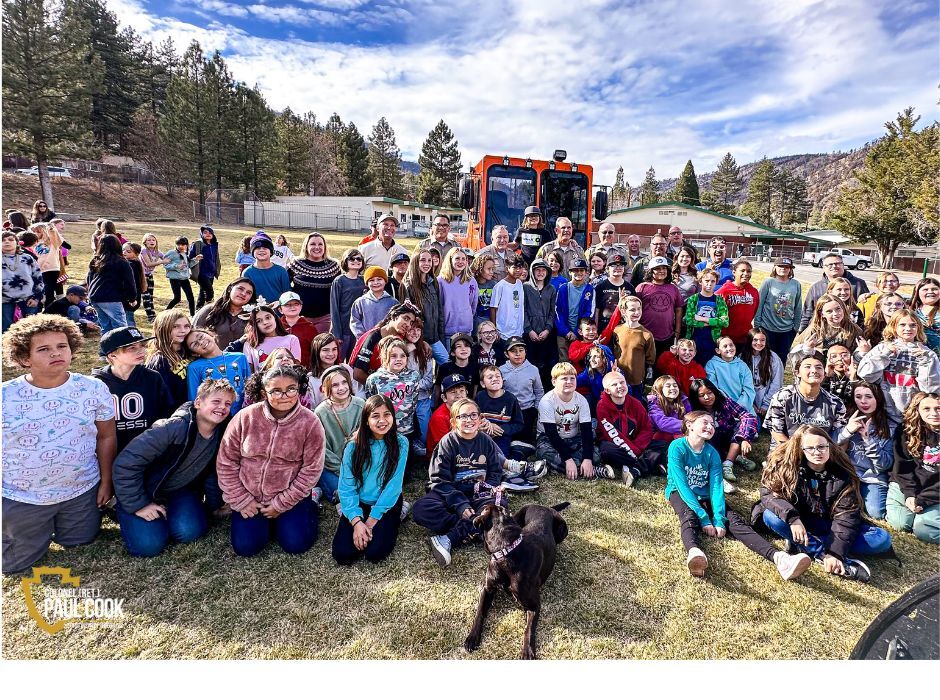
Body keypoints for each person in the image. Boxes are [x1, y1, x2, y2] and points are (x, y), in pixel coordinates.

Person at [1, 315, 116, 574]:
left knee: (79, 542)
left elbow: (106, 436)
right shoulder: (5, 396)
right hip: (23, 497)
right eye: (44, 349)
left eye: (62, 346)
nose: (56, 353)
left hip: (81, 490)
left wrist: (106, 481)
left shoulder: (93, 389)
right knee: (15, 564)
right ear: (24, 358)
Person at [667, 411, 812, 580]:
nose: (710, 426)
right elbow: (681, 485)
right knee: (688, 516)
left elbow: (716, 487)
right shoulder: (677, 447)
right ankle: (695, 552)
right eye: (705, 422)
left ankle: (780, 559)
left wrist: (719, 518)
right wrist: (704, 518)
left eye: (712, 424)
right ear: (689, 425)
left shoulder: (712, 453)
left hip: (705, 494)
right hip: (680, 493)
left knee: (736, 522)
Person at [112, 379, 235, 557]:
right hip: (145, 490)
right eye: (216, 401)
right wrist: (139, 504)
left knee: (188, 532)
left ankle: (170, 514)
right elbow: (126, 463)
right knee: (149, 546)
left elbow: (212, 474)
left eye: (227, 403)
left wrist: (214, 506)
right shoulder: (172, 428)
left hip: (179, 491)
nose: (222, 407)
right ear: (198, 403)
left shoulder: (223, 434)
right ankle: (130, 512)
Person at [756, 425, 893, 583]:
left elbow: (846, 516)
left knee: (881, 539)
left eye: (821, 446)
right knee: (770, 516)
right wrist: (793, 519)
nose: (817, 452)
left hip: (827, 523)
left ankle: (802, 543)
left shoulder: (842, 472)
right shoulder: (786, 466)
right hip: (797, 519)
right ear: (801, 449)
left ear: (829, 445)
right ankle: (819, 553)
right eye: (810, 448)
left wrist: (835, 552)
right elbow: (768, 495)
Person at [217, 365, 325, 557]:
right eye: (276, 390)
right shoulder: (245, 417)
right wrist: (241, 500)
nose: (285, 395)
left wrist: (281, 504)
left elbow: (311, 470)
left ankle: (309, 507)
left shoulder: (310, 422)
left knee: (296, 545)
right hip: (249, 497)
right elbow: (226, 463)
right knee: (246, 548)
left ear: (299, 389)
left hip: (290, 496)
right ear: (263, 392)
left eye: (291, 389)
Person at [414, 398, 506, 567]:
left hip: (479, 493)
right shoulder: (447, 443)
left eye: (473, 415)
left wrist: (488, 488)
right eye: (463, 416)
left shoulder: (486, 441)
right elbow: (439, 480)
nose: (469, 420)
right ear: (453, 422)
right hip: (452, 493)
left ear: (480, 418)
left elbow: (494, 472)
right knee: (421, 509)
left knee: (497, 507)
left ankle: (448, 538)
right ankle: (478, 528)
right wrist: (461, 505)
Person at [332, 395, 408, 564]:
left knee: (375, 554)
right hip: (359, 502)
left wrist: (372, 521)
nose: (382, 420)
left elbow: (393, 486)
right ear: (366, 420)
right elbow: (346, 487)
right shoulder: (353, 447)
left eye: (387, 415)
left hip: (386, 503)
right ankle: (347, 513)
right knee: (343, 555)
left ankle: (400, 512)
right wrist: (357, 522)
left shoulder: (401, 443)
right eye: (375, 416)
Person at [94, 327, 173, 453]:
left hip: (148, 448)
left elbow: (166, 412)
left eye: (142, 345)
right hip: (111, 450)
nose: (141, 351)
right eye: (132, 348)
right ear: (112, 355)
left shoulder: (153, 377)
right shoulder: (97, 383)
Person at [856, 309, 940, 424]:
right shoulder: (882, 348)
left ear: (919, 328)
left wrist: (926, 362)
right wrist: (885, 355)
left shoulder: (928, 353)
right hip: (884, 413)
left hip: (914, 415)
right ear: (893, 327)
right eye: (902, 325)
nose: (908, 328)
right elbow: (865, 375)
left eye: (913, 325)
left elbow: (930, 389)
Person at [835, 381, 895, 520]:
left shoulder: (889, 426)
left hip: (873, 478)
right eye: (858, 396)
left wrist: (868, 440)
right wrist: (847, 431)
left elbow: (884, 465)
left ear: (878, 398)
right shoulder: (845, 418)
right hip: (848, 475)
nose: (863, 401)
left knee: (876, 513)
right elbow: (831, 445)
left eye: (869, 396)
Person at [765, 351, 847, 451]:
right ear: (797, 373)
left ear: (824, 373)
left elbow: (839, 436)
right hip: (786, 450)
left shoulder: (835, 403)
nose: (814, 370)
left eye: (819, 367)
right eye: (807, 367)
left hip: (819, 453)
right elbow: (776, 432)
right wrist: (797, 453)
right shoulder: (783, 397)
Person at [688, 377, 758, 492]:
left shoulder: (725, 402)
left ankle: (728, 463)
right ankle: (726, 464)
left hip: (728, 439)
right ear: (696, 397)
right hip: (710, 444)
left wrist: (745, 438)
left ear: (714, 391)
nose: (707, 397)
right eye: (701, 395)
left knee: (740, 424)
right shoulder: (693, 411)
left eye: (709, 392)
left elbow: (747, 416)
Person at [888, 392, 940, 544]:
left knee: (924, 530)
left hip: (934, 492)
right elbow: (902, 466)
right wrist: (910, 494)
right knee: (900, 523)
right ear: (917, 410)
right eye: (927, 409)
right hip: (906, 483)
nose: (933, 413)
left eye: (938, 408)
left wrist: (923, 500)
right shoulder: (906, 430)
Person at [536, 362, 598, 479]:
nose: (569, 382)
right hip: (549, 440)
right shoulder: (547, 401)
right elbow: (552, 434)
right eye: (564, 378)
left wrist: (588, 458)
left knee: (595, 455)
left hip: (574, 438)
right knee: (544, 453)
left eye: (572, 378)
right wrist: (568, 460)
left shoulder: (582, 400)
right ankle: (586, 468)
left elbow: (586, 431)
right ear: (554, 381)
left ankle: (569, 466)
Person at [313, 365, 364, 505]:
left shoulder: (360, 405)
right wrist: (342, 470)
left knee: (367, 488)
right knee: (342, 490)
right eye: (335, 385)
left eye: (344, 382)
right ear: (326, 388)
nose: (341, 388)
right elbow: (321, 449)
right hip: (332, 466)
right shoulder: (320, 412)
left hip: (357, 463)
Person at [596, 371, 654, 486]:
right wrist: (634, 453)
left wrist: (637, 447)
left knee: (661, 444)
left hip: (635, 443)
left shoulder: (636, 403)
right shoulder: (602, 406)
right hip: (614, 444)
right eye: (614, 384)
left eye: (622, 382)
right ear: (607, 390)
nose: (620, 386)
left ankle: (634, 468)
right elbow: (611, 433)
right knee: (606, 450)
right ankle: (645, 465)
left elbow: (646, 428)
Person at [364, 336, 420, 442]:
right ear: (385, 358)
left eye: (402, 356)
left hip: (406, 430)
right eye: (393, 356)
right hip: (383, 431)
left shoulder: (414, 376)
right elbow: (370, 405)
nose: (398, 359)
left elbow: (414, 400)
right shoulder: (374, 379)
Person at [350, 302, 419, 386]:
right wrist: (382, 388)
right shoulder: (373, 337)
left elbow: (416, 338)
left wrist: (423, 344)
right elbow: (358, 374)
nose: (408, 325)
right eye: (406, 318)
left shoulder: (401, 337)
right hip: (367, 386)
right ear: (394, 317)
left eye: (411, 322)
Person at [799, 253, 870, 332]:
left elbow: (866, 310)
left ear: (843, 265)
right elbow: (807, 313)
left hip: (850, 333)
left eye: (837, 263)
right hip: (821, 333)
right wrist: (802, 330)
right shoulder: (816, 288)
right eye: (830, 264)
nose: (834, 266)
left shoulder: (858, 284)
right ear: (823, 267)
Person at [185, 328, 251, 413]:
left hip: (243, 412)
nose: (201, 342)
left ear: (209, 334)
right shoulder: (194, 367)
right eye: (194, 344)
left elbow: (249, 387)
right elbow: (194, 399)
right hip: (216, 415)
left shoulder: (240, 357)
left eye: (201, 336)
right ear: (193, 353)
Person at [289, 232, 340, 334]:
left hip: (325, 318)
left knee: (321, 347)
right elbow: (286, 288)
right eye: (312, 244)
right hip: (300, 317)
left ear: (325, 247)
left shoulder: (334, 266)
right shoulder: (296, 264)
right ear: (306, 246)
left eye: (320, 244)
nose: (317, 247)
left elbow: (339, 292)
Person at [753, 257, 802, 365]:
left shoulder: (796, 284)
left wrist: (795, 327)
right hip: (767, 327)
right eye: (780, 266)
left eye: (786, 267)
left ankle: (778, 381)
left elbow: (798, 307)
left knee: (781, 359)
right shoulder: (768, 282)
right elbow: (759, 304)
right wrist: (758, 325)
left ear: (790, 269)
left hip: (787, 330)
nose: (783, 269)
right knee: (766, 357)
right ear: (775, 267)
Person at [403, 248, 447, 365]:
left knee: (447, 364)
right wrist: (419, 341)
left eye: (429, 260)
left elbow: (439, 312)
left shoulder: (434, 283)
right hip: (418, 340)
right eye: (423, 260)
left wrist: (440, 337)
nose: (427, 264)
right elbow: (408, 318)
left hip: (435, 338)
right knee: (422, 371)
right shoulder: (408, 285)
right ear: (415, 262)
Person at [791, 295, 867, 362]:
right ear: (822, 314)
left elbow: (858, 355)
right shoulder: (814, 330)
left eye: (838, 309)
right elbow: (796, 355)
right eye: (829, 311)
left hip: (845, 369)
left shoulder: (854, 330)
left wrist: (862, 352)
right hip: (820, 369)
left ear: (843, 308)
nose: (835, 314)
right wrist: (807, 348)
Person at [88, 234, 137, 332]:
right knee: (120, 327)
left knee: (106, 326)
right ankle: (120, 346)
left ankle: (108, 346)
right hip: (111, 297)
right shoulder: (121, 262)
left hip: (95, 296)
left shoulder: (97, 260)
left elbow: (90, 278)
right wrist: (132, 298)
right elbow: (129, 282)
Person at [636, 256, 683, 357]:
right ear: (650, 271)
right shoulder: (642, 287)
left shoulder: (673, 288)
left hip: (667, 335)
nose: (661, 271)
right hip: (645, 334)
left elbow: (678, 309)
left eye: (664, 268)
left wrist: (677, 330)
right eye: (657, 268)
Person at [609, 295, 655, 398]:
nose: (637, 312)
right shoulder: (617, 330)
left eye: (639, 309)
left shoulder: (646, 334)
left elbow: (650, 359)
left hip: (636, 381)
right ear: (624, 311)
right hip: (618, 379)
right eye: (632, 310)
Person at [192, 277, 257, 350]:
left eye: (248, 292)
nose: (243, 293)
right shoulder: (209, 310)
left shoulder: (254, 315)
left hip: (243, 359)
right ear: (230, 289)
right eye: (240, 289)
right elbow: (193, 334)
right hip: (212, 359)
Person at [522, 259, 558, 387]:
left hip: (546, 333)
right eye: (537, 270)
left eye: (543, 270)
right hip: (529, 333)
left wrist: (548, 329)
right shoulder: (525, 287)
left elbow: (552, 312)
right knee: (530, 364)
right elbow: (523, 310)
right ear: (532, 271)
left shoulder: (551, 289)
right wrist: (529, 330)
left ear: (547, 272)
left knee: (545, 366)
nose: (540, 273)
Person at [146, 309, 192, 407]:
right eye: (175, 326)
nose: (183, 330)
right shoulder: (160, 361)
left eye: (186, 326)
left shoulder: (191, 351)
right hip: (176, 414)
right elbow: (161, 397)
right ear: (162, 328)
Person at [683, 268, 729, 367]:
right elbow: (689, 320)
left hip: (712, 340)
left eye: (713, 281)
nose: (709, 284)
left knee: (710, 368)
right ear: (700, 281)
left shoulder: (719, 300)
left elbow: (725, 322)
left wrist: (703, 319)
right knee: (694, 367)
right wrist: (710, 323)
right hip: (695, 339)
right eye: (707, 281)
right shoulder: (693, 299)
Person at [646, 374, 691, 473]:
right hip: (657, 439)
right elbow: (662, 423)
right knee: (678, 434)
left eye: (675, 386)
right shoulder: (654, 402)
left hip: (677, 437)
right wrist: (689, 426)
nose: (672, 388)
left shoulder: (683, 401)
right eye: (668, 386)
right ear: (660, 389)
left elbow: (690, 417)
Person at [554, 258, 595, 362]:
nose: (579, 273)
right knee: (564, 362)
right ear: (570, 272)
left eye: (582, 270)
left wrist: (578, 332)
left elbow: (589, 313)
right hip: (564, 333)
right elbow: (557, 312)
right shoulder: (563, 288)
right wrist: (566, 331)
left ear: (586, 273)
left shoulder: (590, 289)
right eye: (575, 270)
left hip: (581, 334)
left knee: (581, 361)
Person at [1, 230, 43, 332]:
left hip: (28, 300)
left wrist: (36, 298)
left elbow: (38, 278)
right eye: (3, 240)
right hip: (4, 301)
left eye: (11, 240)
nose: (7, 242)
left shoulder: (27, 258)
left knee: (30, 330)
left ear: (17, 242)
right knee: (7, 329)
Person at [330, 248, 367, 361]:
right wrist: (337, 333)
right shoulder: (339, 281)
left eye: (359, 258)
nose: (356, 261)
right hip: (343, 328)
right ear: (346, 261)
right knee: (339, 360)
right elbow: (334, 307)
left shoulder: (364, 281)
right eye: (352, 258)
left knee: (354, 361)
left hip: (358, 329)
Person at [240, 303, 301, 372]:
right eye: (259, 321)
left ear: (274, 317)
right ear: (254, 325)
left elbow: (296, 369)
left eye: (268, 317)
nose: (265, 322)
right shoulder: (250, 344)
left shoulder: (291, 339)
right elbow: (249, 373)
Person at [705, 336, 756, 418]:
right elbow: (713, 388)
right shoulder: (712, 365)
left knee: (753, 425)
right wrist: (729, 407)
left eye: (731, 345)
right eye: (725, 346)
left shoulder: (742, 365)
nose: (729, 348)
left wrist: (739, 408)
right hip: (723, 407)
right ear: (718, 351)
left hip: (743, 408)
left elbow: (749, 389)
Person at [740, 328, 783, 422]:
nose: (759, 343)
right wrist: (750, 404)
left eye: (762, 340)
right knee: (755, 425)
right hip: (748, 402)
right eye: (755, 340)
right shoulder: (741, 357)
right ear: (750, 340)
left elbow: (776, 383)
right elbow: (739, 384)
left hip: (767, 402)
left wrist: (766, 404)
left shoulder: (773, 358)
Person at [716, 259, 759, 350]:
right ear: (734, 272)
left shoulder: (754, 292)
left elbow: (754, 312)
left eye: (749, 271)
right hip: (726, 338)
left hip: (745, 337)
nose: (746, 274)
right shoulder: (725, 290)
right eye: (742, 271)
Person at [438, 247, 479, 342]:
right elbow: (439, 305)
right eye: (457, 258)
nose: (460, 262)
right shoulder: (440, 281)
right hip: (448, 329)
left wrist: (466, 315)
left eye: (463, 259)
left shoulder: (471, 281)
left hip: (466, 329)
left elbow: (473, 303)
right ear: (450, 260)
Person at [350, 266, 396, 341]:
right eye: (372, 280)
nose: (376, 283)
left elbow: (395, 323)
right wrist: (365, 337)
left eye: (379, 279)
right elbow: (355, 322)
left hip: (386, 341)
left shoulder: (393, 302)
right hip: (365, 342)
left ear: (385, 281)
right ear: (367, 283)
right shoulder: (360, 302)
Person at [593, 252, 635, 331]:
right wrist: (595, 329)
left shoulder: (630, 288)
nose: (618, 268)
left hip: (624, 329)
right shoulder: (600, 287)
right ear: (607, 268)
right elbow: (596, 310)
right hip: (605, 328)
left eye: (621, 265)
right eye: (614, 265)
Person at [244, 234, 291, 305]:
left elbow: (287, 295)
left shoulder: (281, 271)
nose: (261, 250)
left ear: (271, 252)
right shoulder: (247, 273)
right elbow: (245, 296)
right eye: (258, 248)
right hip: (256, 313)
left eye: (265, 248)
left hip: (278, 313)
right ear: (253, 252)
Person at [489, 252, 527, 340]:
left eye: (520, 267)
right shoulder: (500, 286)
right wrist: (494, 329)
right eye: (515, 267)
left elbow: (516, 303)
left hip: (518, 331)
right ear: (507, 269)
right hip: (503, 332)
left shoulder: (519, 283)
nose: (518, 270)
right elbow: (493, 308)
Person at [29, 222, 64, 309]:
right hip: (38, 269)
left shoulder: (52, 242)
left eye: (38, 231)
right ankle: (41, 307)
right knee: (41, 290)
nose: (35, 234)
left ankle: (49, 308)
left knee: (49, 290)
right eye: (33, 232)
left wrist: (51, 229)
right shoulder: (34, 243)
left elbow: (59, 240)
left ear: (44, 231)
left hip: (51, 269)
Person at [161, 236, 198, 316]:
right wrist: (176, 266)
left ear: (186, 245)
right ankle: (164, 313)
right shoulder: (172, 253)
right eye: (179, 244)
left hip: (184, 278)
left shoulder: (185, 254)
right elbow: (165, 264)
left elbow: (188, 265)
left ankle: (192, 316)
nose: (181, 246)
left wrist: (196, 260)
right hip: (175, 279)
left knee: (191, 298)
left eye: (183, 244)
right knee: (177, 298)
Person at [278, 291, 316, 368]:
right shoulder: (276, 326)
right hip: (280, 370)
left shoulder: (309, 327)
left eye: (296, 304)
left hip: (304, 370)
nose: (292, 307)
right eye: (287, 305)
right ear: (280, 309)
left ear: (301, 306)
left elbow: (315, 351)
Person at [189, 225, 220, 309]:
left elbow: (216, 258)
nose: (208, 234)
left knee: (202, 292)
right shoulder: (197, 244)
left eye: (210, 232)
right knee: (209, 292)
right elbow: (190, 257)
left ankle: (199, 309)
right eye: (205, 232)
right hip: (201, 272)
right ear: (201, 234)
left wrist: (216, 269)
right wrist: (196, 258)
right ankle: (209, 309)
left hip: (211, 272)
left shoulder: (214, 245)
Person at [909, 277, 940, 357]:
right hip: (917, 357)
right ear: (917, 293)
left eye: (934, 289)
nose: (930, 292)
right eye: (925, 289)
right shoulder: (910, 311)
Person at [140, 234, 166, 323]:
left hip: (149, 275)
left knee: (150, 296)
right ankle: (150, 316)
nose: (151, 242)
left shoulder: (157, 252)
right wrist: (162, 262)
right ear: (145, 242)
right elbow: (148, 264)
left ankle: (153, 315)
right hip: (141, 275)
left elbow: (167, 258)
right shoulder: (143, 251)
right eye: (149, 240)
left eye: (153, 240)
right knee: (146, 296)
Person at [121, 242, 146, 328]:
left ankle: (133, 337)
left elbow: (130, 283)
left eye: (128, 251)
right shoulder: (133, 264)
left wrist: (131, 298)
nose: (124, 252)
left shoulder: (131, 265)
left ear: (136, 254)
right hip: (132, 297)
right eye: (123, 250)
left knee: (129, 320)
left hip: (130, 298)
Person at [471, 252, 498, 329]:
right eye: (489, 269)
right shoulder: (472, 284)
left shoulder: (494, 285)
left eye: (493, 269)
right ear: (480, 268)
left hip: (490, 325)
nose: (491, 272)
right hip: (475, 325)